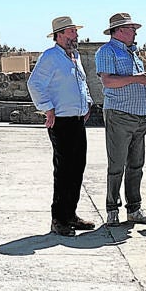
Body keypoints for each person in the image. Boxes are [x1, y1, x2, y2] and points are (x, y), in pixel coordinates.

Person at [27, 15, 96, 237]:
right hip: (61, 120)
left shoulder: (74, 56)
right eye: (72, 32)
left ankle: (71, 214)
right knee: (64, 170)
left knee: (78, 167)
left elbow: (82, 83)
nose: (76, 35)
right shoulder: (50, 57)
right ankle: (58, 219)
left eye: (75, 31)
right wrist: (47, 108)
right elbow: (35, 83)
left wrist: (87, 104)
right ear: (60, 34)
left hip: (77, 119)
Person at [95, 12, 146, 226]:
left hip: (140, 115)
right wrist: (136, 79)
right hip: (119, 114)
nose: (135, 32)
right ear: (119, 31)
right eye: (131, 29)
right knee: (117, 164)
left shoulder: (133, 53)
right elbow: (108, 82)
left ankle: (134, 208)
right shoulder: (106, 51)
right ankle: (112, 209)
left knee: (136, 165)